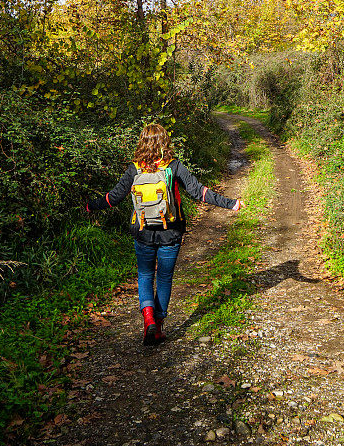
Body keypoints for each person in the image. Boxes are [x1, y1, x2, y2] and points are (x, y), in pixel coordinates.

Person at [86, 123, 244, 345]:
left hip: (142, 231)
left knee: (145, 275)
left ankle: (148, 319)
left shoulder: (135, 168)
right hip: (170, 232)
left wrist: (91, 206)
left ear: (142, 142)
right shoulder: (173, 166)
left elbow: (114, 197)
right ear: (165, 142)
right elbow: (199, 192)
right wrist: (230, 203)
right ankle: (158, 327)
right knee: (164, 278)